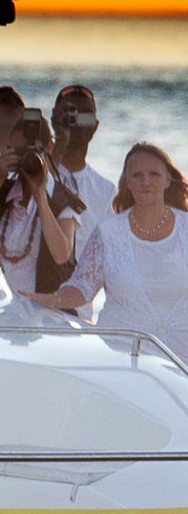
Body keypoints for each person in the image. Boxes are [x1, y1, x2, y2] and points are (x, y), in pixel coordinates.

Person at [24, 142, 188, 361]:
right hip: (119, 357)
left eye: (154, 174)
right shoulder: (109, 231)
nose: (146, 182)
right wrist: (46, 300)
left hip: (181, 361)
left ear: (168, 180)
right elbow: (82, 288)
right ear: (126, 181)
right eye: (137, 175)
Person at [0, 115, 84, 295]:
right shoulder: (2, 193)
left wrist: (40, 195)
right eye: (17, 151)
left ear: (49, 148)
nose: (25, 158)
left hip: (39, 315)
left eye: (31, 152)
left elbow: (61, 256)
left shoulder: (62, 200)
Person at [50, 85, 115, 263]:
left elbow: (109, 253)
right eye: (70, 113)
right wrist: (60, 141)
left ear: (95, 125)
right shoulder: (36, 172)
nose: (76, 121)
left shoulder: (105, 190)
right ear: (54, 119)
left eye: (85, 115)